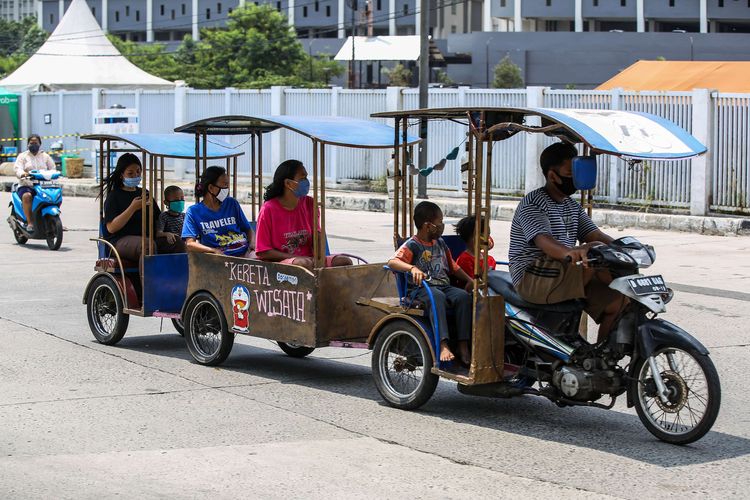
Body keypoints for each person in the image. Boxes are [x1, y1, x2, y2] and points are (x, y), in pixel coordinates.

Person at [509, 142, 625, 342]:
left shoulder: (571, 205)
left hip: (561, 270)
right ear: (553, 176)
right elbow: (544, 241)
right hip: (533, 276)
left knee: (618, 303)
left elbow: (595, 236)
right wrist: (571, 252)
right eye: (570, 172)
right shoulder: (533, 203)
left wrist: (624, 247)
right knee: (595, 253)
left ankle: (602, 359)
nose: (576, 178)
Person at [388, 201, 474, 365]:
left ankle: (463, 345)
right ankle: (443, 344)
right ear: (428, 226)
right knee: (437, 297)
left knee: (463, 297)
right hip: (420, 290)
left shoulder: (441, 243)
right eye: (440, 222)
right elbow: (392, 262)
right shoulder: (412, 244)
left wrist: (469, 280)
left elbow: (453, 267)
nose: (441, 226)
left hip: (444, 285)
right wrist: (412, 268)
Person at [255, 159, 352, 270]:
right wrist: (296, 257)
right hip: (282, 264)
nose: (306, 182)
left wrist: (319, 258)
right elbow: (263, 252)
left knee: (344, 261)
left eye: (306, 177)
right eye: (302, 178)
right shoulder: (268, 209)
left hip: (309, 259)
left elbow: (318, 236)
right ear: (288, 183)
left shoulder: (310, 203)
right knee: (303, 264)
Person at [102, 153, 185, 269]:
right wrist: (132, 208)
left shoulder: (144, 193)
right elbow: (111, 228)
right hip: (119, 242)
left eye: (138, 172)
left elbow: (158, 218)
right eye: (130, 173)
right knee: (147, 245)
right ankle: (149, 285)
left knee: (177, 242)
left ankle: (177, 281)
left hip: (149, 237)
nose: (135, 175)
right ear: (122, 175)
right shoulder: (114, 196)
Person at [182, 166, 254, 257]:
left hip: (245, 252)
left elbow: (248, 229)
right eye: (225, 185)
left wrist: (252, 244)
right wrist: (213, 251)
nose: (227, 189)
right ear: (211, 188)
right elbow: (190, 244)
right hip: (219, 259)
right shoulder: (193, 212)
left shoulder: (232, 203)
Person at [14, 134, 56, 232]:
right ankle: (30, 222)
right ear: (28, 144)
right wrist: (23, 173)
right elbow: (17, 168)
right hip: (27, 185)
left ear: (40, 144)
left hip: (43, 185)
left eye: (35, 143)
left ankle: (55, 219)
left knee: (54, 196)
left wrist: (55, 173)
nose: (33, 145)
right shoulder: (23, 156)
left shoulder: (45, 156)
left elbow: (53, 168)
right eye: (31, 143)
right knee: (27, 196)